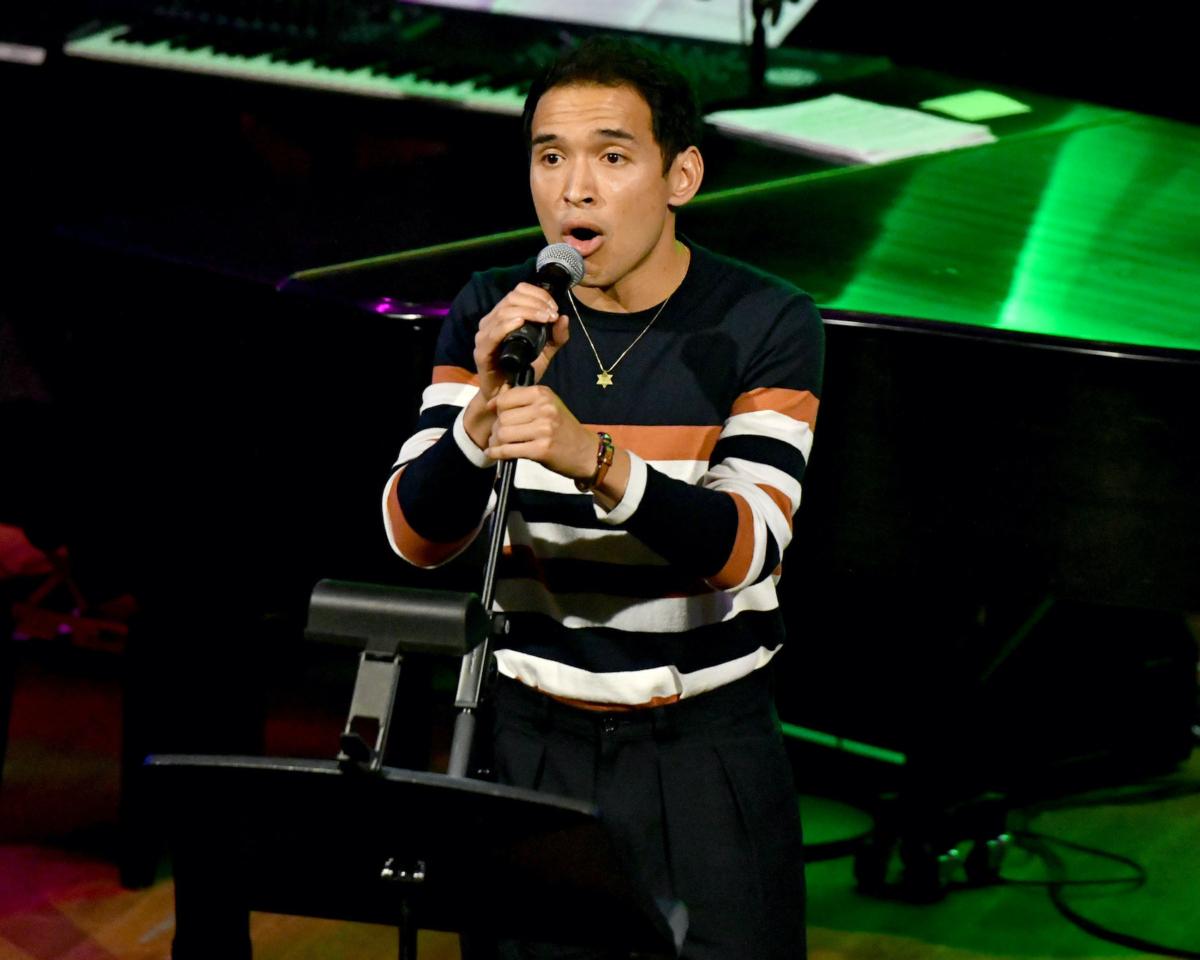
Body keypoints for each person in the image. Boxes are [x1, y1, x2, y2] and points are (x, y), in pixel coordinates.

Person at [383, 36, 823, 960]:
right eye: (551, 157)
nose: (574, 189)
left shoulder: (762, 321)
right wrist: (483, 416)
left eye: (612, 157)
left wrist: (597, 459)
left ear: (682, 174)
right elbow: (414, 534)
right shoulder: (492, 311)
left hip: (703, 747)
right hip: (531, 739)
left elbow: (746, 545)